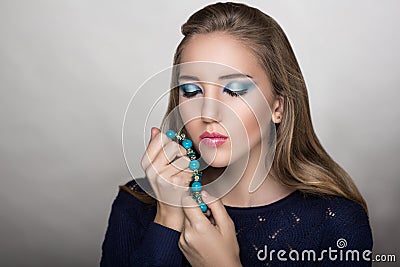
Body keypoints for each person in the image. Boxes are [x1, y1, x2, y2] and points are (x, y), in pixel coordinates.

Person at [100, 2, 373, 266]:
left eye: (234, 90)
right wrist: (168, 217)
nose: (208, 112)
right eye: (192, 91)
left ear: (277, 106)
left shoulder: (337, 222)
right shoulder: (135, 205)